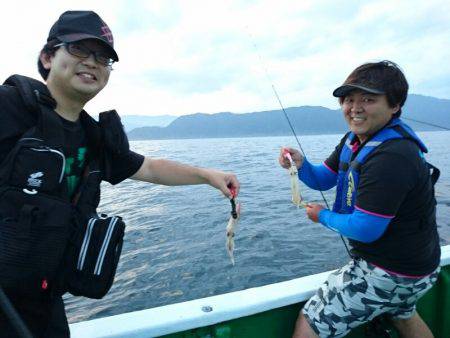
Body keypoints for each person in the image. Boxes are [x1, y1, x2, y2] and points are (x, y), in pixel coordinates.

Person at [0, 10, 239, 337]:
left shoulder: (95, 138)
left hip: (43, 305)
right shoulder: (8, 107)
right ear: (47, 57)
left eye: (103, 57)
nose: (93, 62)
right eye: (79, 50)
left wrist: (207, 174)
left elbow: (151, 168)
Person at [279, 60, 441, 338]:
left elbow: (366, 229)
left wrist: (321, 216)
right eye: (349, 99)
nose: (355, 107)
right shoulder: (356, 139)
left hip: (390, 272)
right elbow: (322, 179)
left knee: (309, 324)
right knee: (403, 313)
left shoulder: (392, 156)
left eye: (368, 99)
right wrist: (301, 164)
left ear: (395, 105)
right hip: (418, 269)